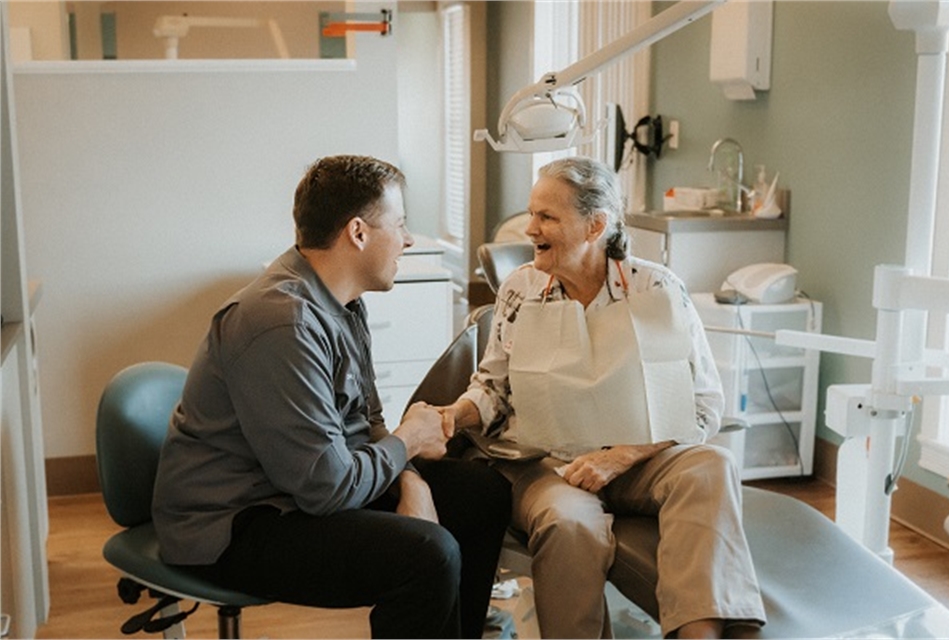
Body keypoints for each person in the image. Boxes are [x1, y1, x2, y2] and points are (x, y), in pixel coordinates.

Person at [152, 154, 512, 639]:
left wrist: (410, 481)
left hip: (294, 492)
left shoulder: (343, 303)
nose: (407, 239)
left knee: (480, 493)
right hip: (232, 524)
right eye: (401, 224)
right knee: (426, 554)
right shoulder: (282, 322)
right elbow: (326, 488)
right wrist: (406, 444)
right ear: (358, 233)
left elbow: (368, 421)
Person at [439, 156, 767, 639]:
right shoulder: (521, 290)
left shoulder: (656, 289)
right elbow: (492, 390)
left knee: (711, 466)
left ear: (595, 225)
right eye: (532, 214)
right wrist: (451, 415)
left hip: (639, 459)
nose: (530, 229)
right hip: (546, 463)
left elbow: (703, 405)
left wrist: (624, 456)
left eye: (547, 217)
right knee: (570, 525)